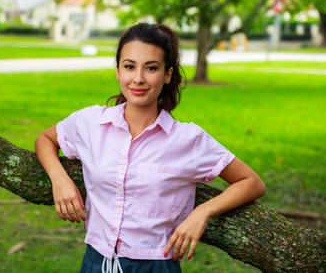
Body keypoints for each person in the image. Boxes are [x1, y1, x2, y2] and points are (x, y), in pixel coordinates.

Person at [35, 23, 265, 273]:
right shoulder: (90, 123)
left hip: (156, 265)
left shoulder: (188, 139)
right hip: (96, 261)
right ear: (117, 71)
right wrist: (59, 179)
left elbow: (251, 182)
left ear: (167, 75)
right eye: (129, 66)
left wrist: (202, 212)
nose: (138, 79)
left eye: (151, 68)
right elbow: (45, 140)